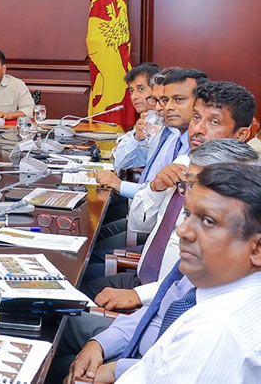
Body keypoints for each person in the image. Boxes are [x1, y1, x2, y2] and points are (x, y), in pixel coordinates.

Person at [62, 163, 261, 384]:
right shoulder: (211, 278)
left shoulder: (215, 333)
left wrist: (116, 370)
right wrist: (101, 347)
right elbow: (156, 310)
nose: (182, 231)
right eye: (187, 214)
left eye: (208, 221)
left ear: (257, 249)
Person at [83, 139, 258, 308]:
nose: (182, 230)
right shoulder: (182, 168)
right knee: (77, 285)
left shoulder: (238, 224)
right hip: (146, 280)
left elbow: (193, 292)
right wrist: (154, 188)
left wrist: (140, 295)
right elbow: (138, 225)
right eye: (196, 117)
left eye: (213, 121)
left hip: (163, 299)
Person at [95, 67, 207, 199]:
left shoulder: (193, 142)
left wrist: (119, 185)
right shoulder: (162, 129)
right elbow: (122, 162)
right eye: (162, 100)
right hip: (139, 208)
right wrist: (137, 138)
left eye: (177, 99)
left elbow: (165, 196)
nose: (161, 107)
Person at [110, 63, 161, 171]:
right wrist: (135, 138)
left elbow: (122, 162)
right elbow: (118, 159)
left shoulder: (165, 122)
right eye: (132, 91)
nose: (134, 96)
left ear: (157, 89)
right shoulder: (147, 118)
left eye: (140, 89)